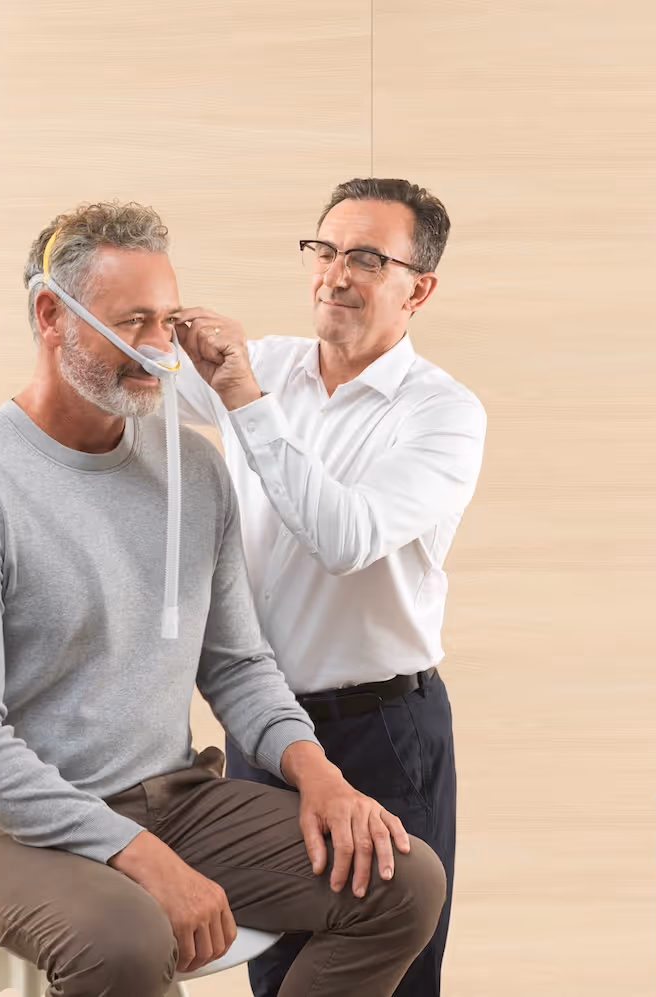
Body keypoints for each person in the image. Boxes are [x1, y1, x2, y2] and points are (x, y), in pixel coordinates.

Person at [0, 200, 446, 997]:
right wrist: (137, 853)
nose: (159, 350)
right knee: (124, 940)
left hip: (168, 798)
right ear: (52, 315)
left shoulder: (194, 467)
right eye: (133, 323)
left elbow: (238, 663)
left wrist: (317, 771)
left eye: (168, 321)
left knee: (402, 880)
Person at [172, 178, 487, 997]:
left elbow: (345, 537)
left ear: (418, 287)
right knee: (276, 974)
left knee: (392, 971)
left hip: (383, 731)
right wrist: (135, 312)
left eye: (366, 258)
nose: (335, 274)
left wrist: (243, 396)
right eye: (324, 249)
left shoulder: (443, 414)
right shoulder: (268, 363)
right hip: (266, 729)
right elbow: (129, 377)